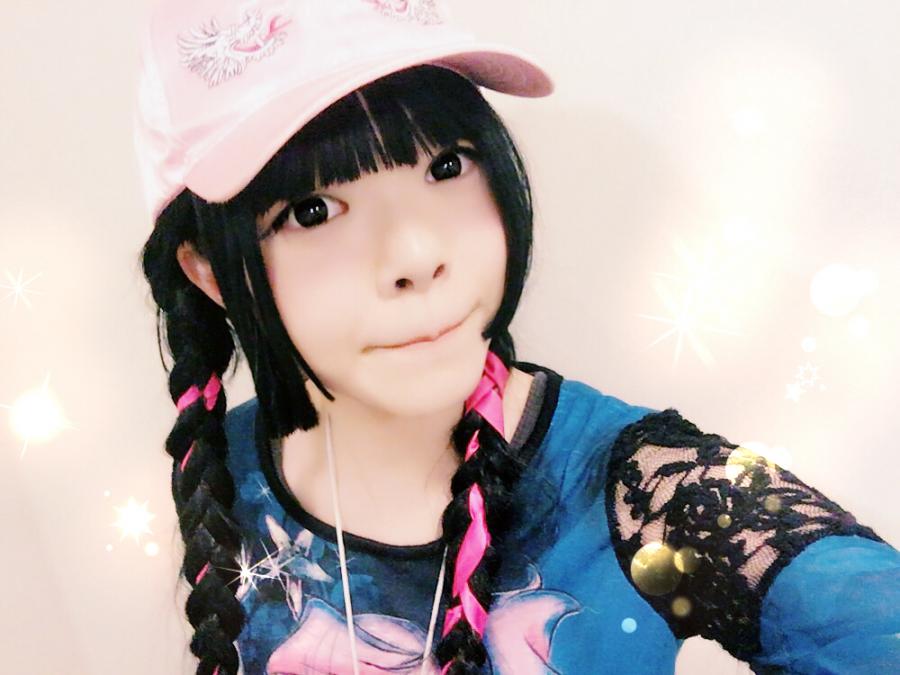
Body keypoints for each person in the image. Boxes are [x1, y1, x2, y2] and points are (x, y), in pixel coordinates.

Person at [133, 1, 900, 674]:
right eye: (311, 211)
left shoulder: (644, 495)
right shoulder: (222, 467)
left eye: (446, 164)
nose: (415, 254)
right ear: (210, 273)